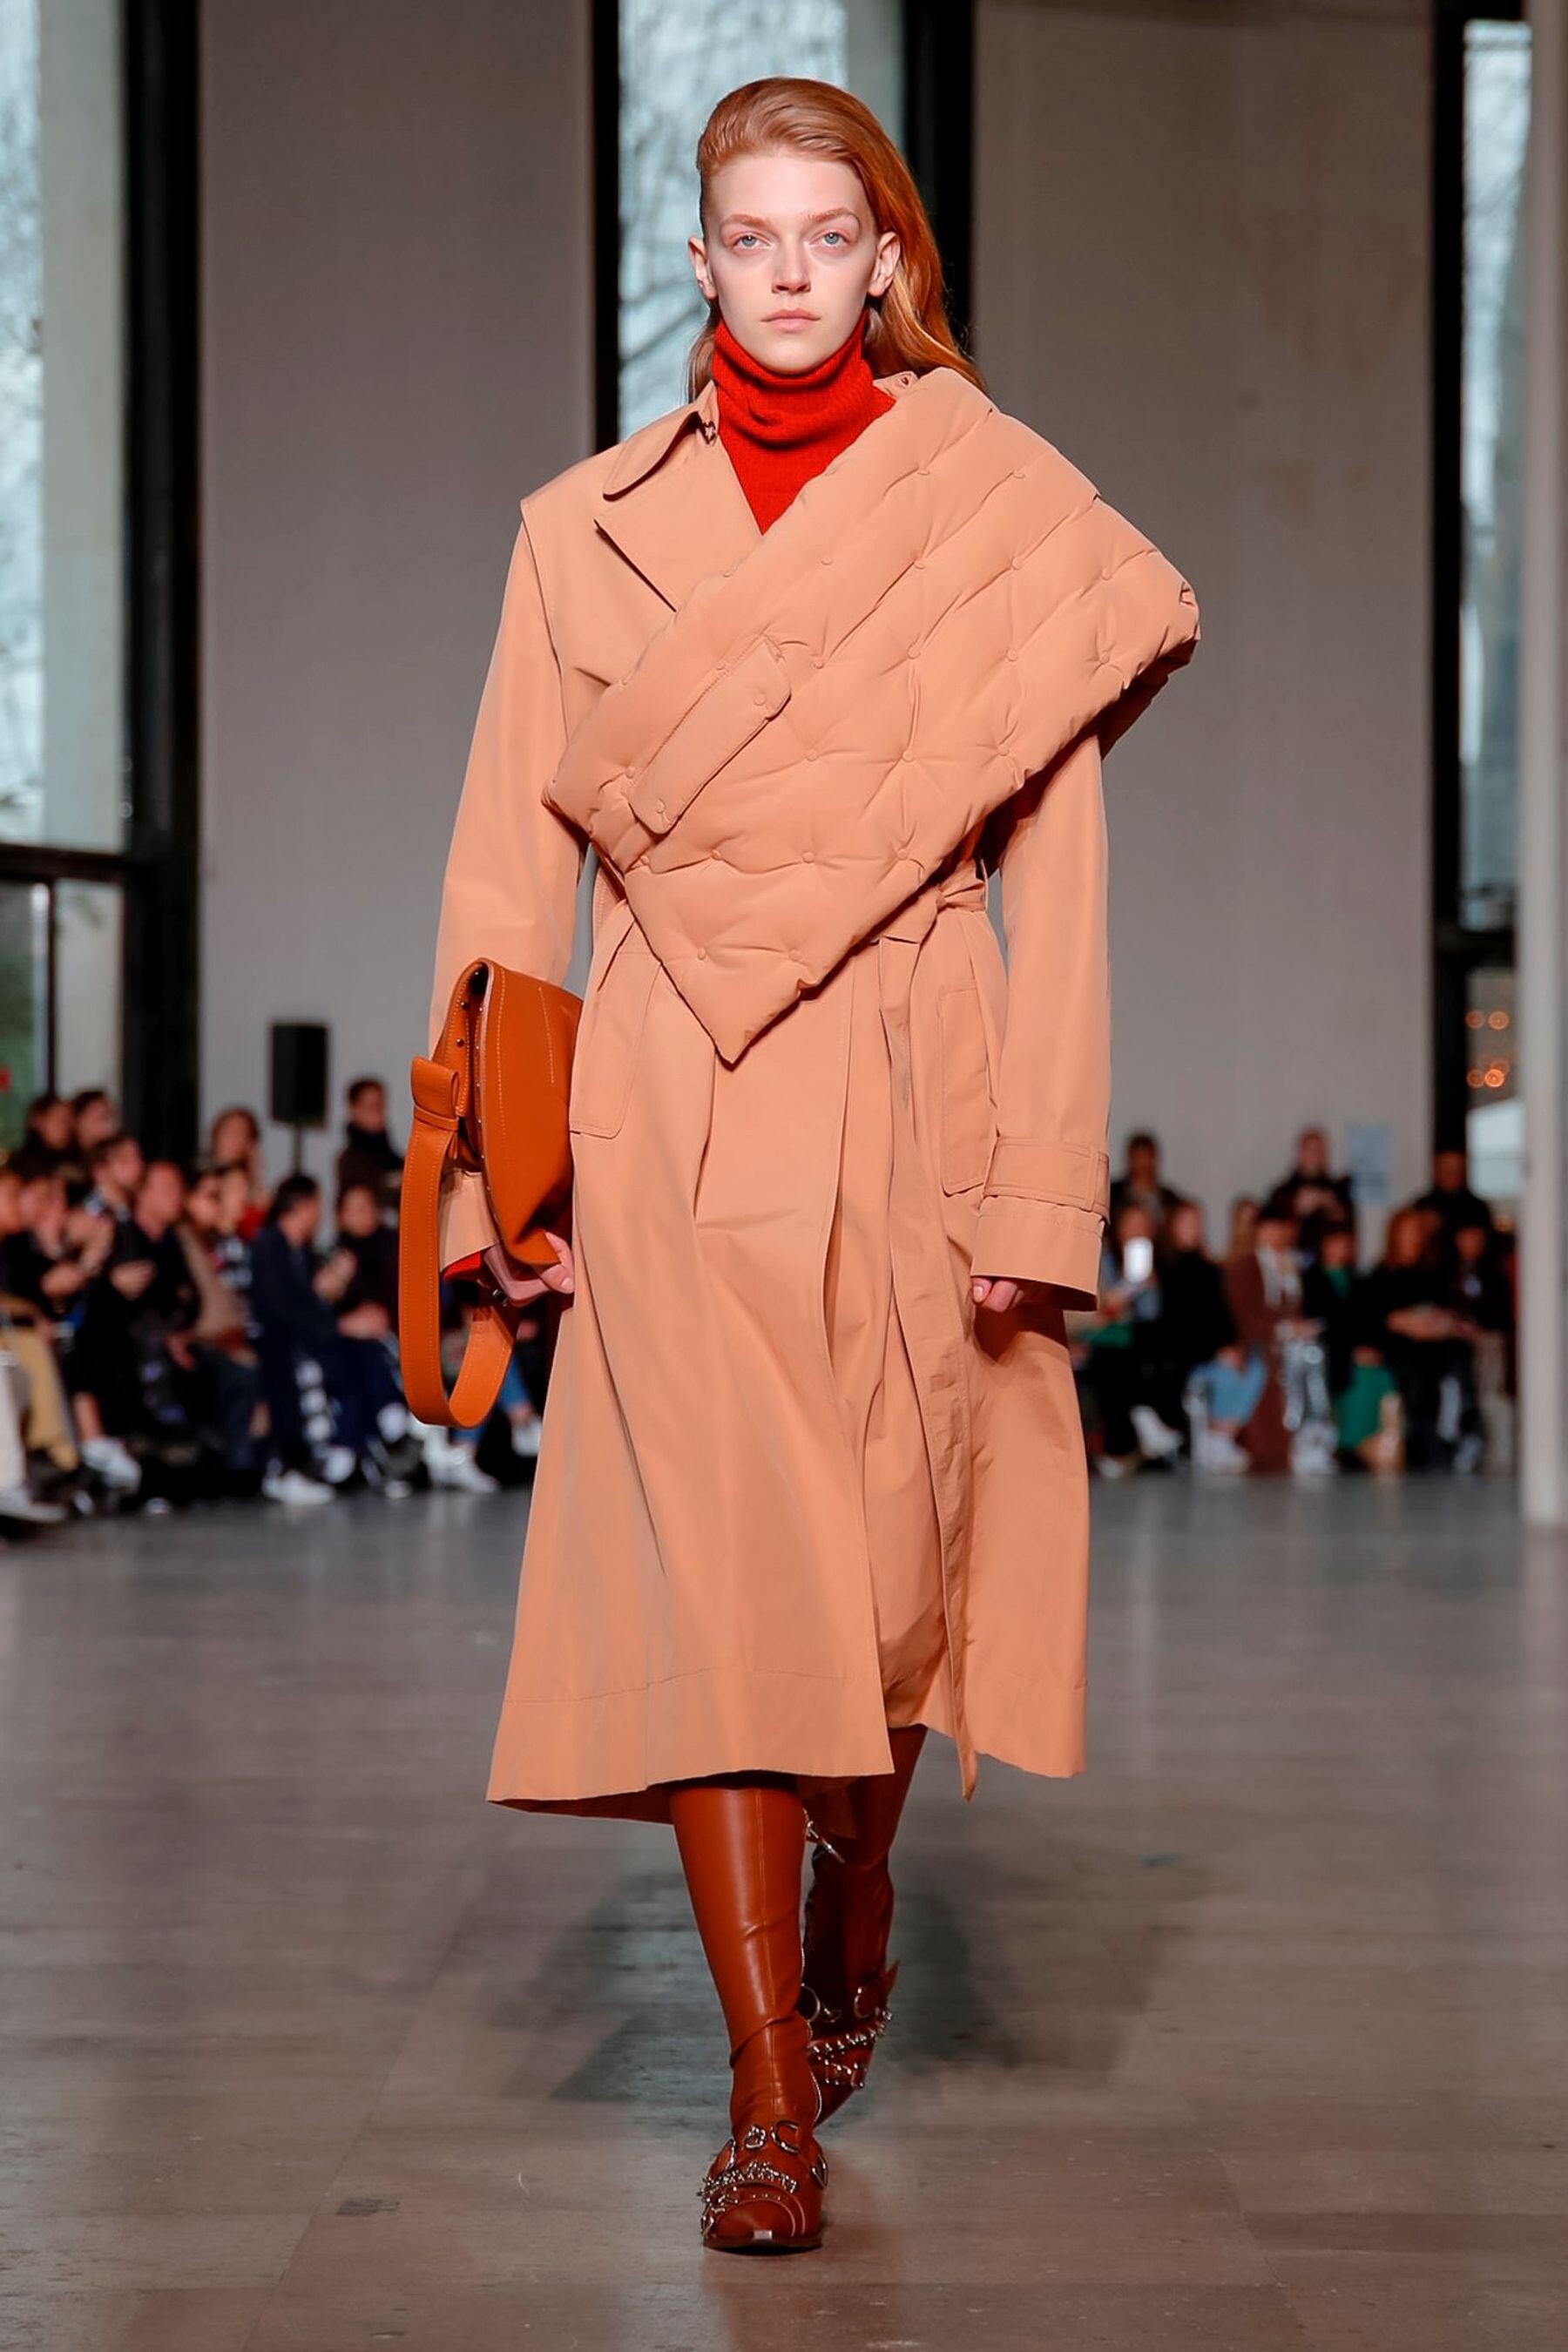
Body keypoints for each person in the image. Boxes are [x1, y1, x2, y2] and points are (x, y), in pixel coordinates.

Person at [424, 78, 1197, 2252]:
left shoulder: (997, 507)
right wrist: (501, 1176)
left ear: (884, 259)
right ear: (697, 262)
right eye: (747, 236)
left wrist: (1044, 1189)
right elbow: (503, 874)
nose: (785, 272)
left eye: (822, 236)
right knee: (720, 1585)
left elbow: (1065, 882)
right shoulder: (579, 529)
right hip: (670, 1087)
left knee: (878, 1581)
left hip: (915, 1067)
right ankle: (768, 2089)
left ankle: (863, 1872)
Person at [335, 1079, 403, 1212]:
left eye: (380, 1106)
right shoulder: (350, 1162)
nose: (377, 1113)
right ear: (354, 1110)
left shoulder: (393, 1159)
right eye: (371, 1107)